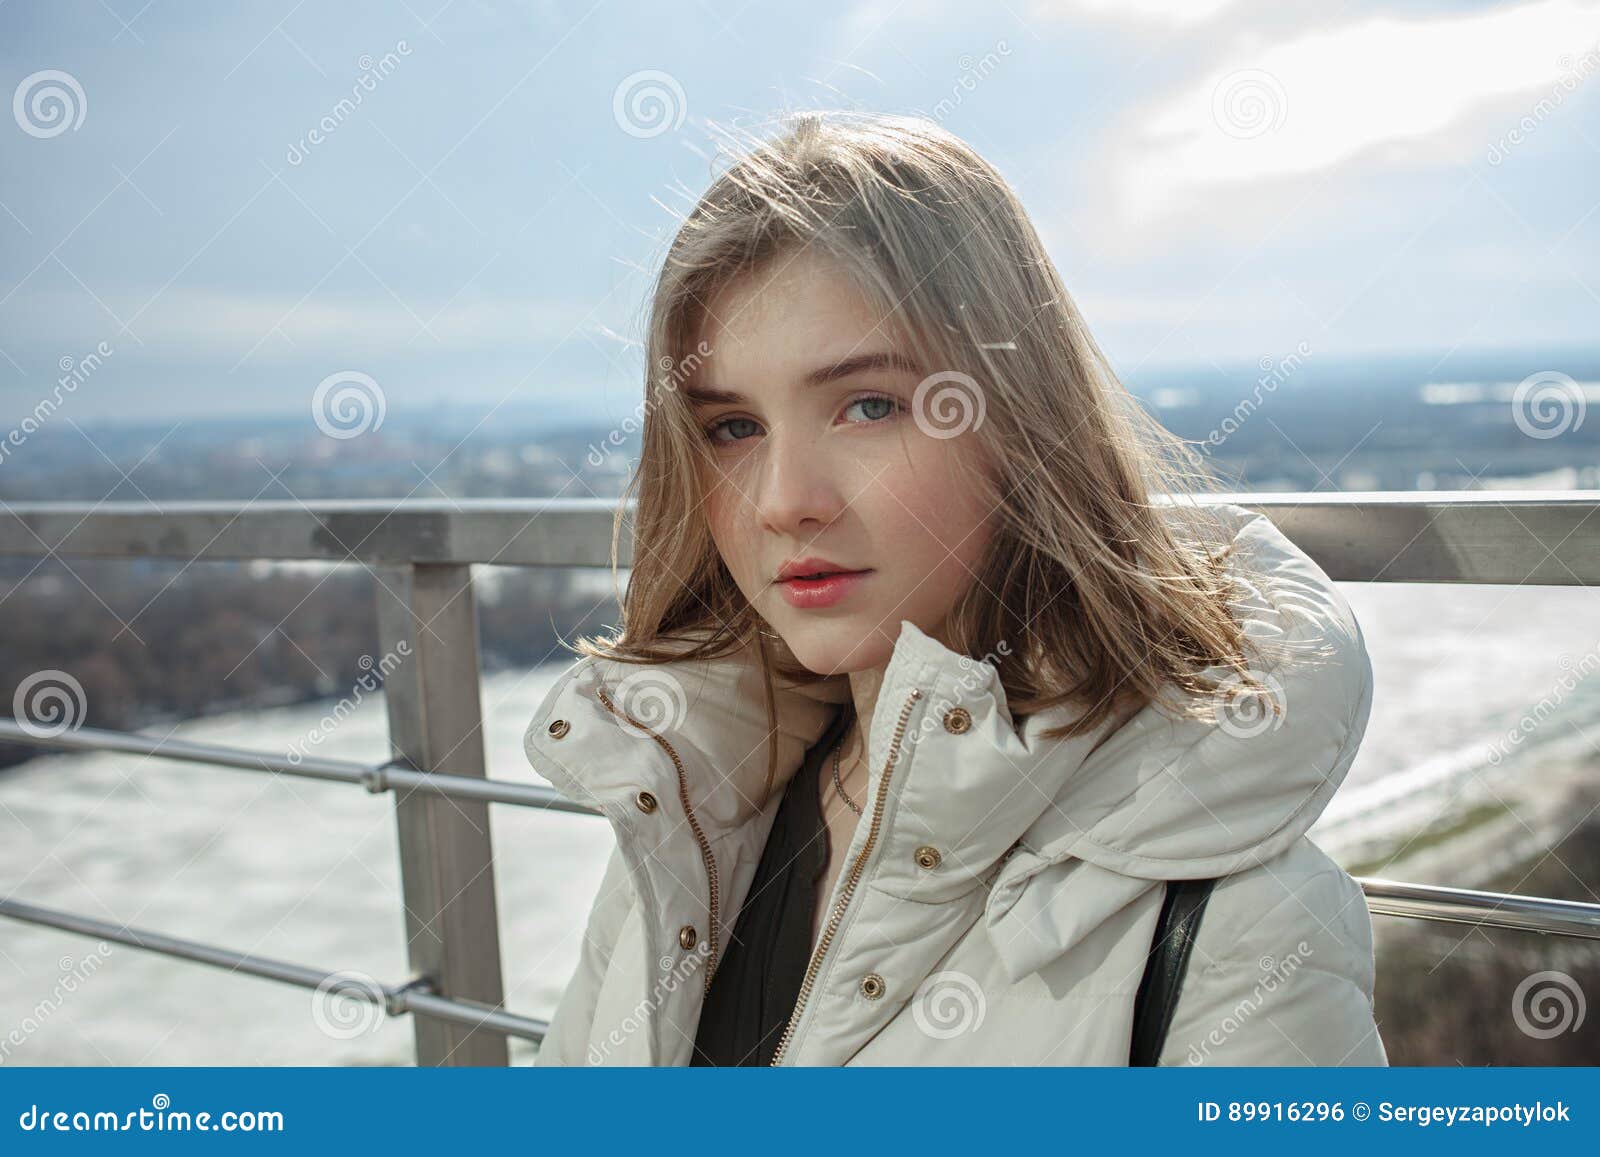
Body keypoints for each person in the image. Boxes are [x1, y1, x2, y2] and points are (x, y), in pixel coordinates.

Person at [522, 110, 1386, 1066]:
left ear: (1020, 419)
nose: (783, 503)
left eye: (868, 405)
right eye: (733, 427)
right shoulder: (689, 821)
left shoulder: (1235, 927)